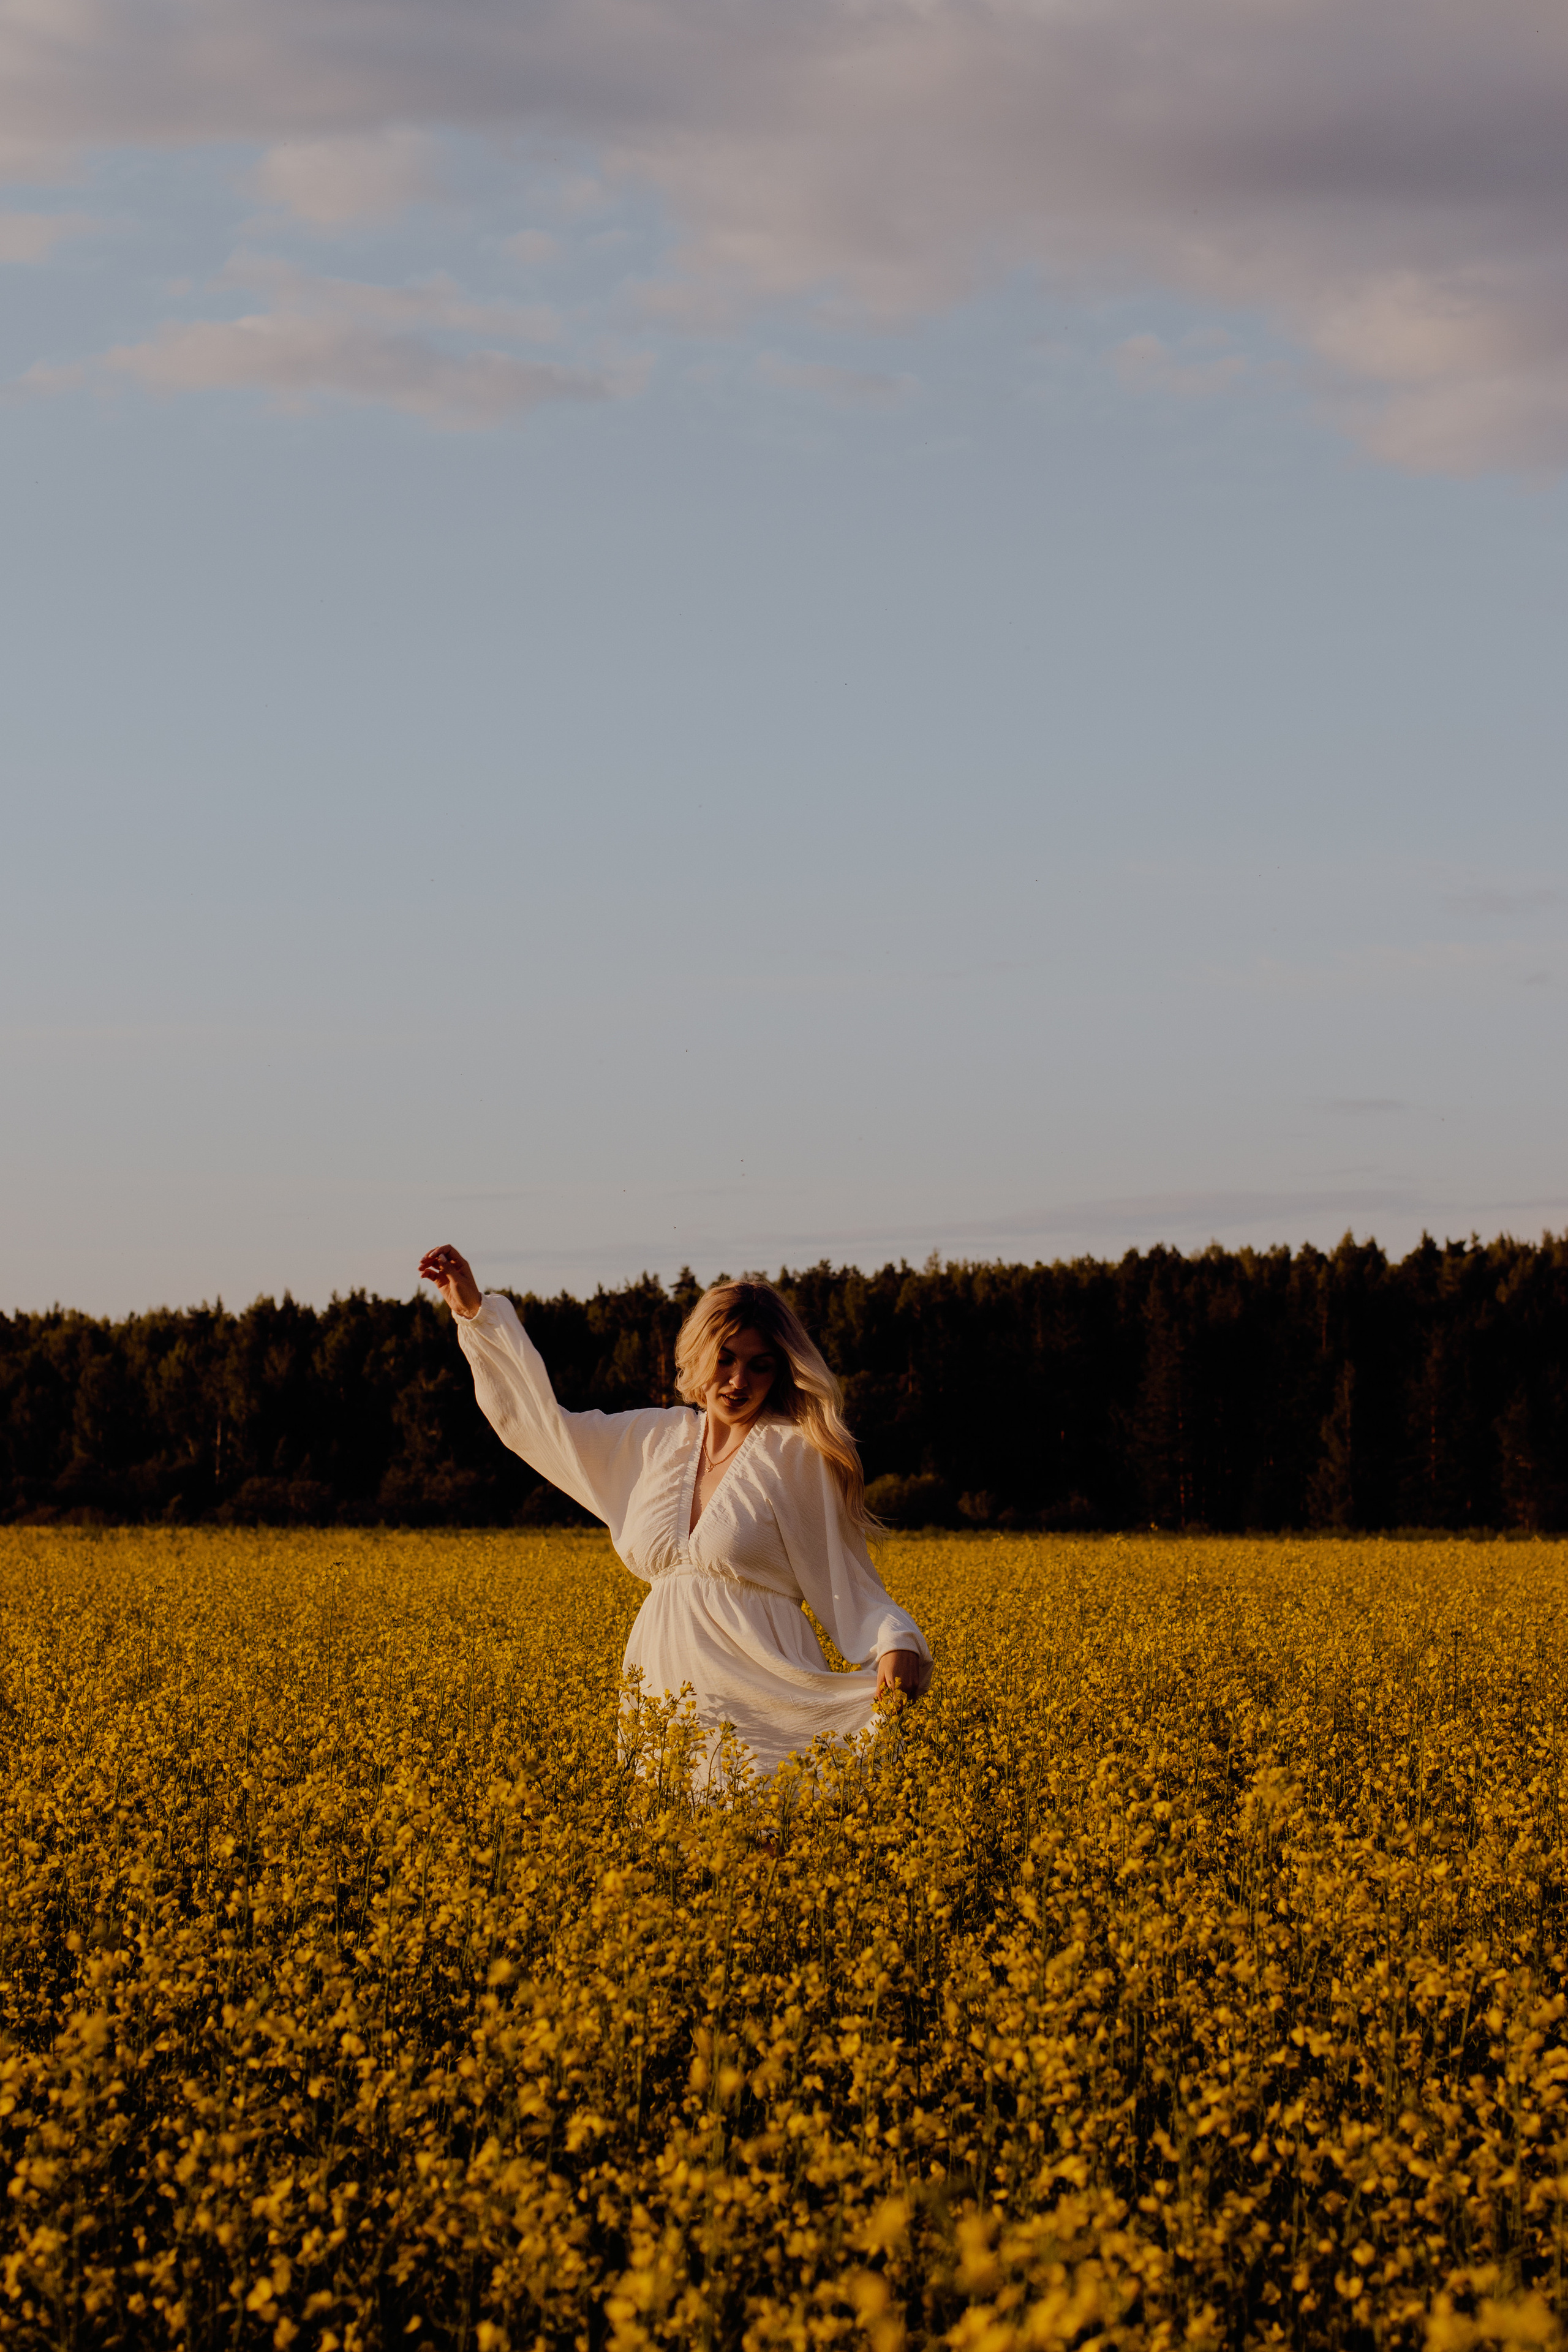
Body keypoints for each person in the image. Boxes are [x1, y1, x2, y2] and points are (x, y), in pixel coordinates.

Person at [418, 1246, 932, 1781]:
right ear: (699, 1354)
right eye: (726, 1358)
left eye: (760, 1365)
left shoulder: (795, 1453)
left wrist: (892, 1641)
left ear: (780, 1373)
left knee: (767, 1841)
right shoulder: (654, 1439)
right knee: (670, 1851)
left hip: (766, 1692)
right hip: (664, 1688)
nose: (738, 1381)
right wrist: (477, 1316)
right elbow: (542, 1428)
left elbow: (844, 1578)